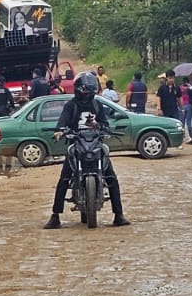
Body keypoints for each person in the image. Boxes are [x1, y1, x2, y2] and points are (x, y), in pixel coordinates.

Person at [44, 72, 129, 229]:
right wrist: (60, 131)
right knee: (64, 179)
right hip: (77, 145)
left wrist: (105, 129)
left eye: (90, 92)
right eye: (85, 91)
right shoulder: (71, 106)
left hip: (96, 144)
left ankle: (119, 215)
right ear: (78, 90)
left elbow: (104, 122)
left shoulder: (97, 105)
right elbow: (62, 121)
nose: (87, 95)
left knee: (111, 178)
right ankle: (55, 216)